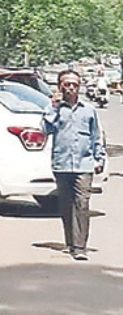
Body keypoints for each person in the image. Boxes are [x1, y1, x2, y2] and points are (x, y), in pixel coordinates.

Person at [43, 69, 106, 260]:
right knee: (66, 205)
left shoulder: (88, 110)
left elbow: (96, 136)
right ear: (60, 86)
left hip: (84, 165)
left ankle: (80, 247)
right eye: (66, 84)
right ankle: (71, 241)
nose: (70, 88)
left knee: (82, 204)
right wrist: (53, 106)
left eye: (74, 85)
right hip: (62, 165)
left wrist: (99, 158)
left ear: (80, 87)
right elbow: (46, 129)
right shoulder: (54, 109)